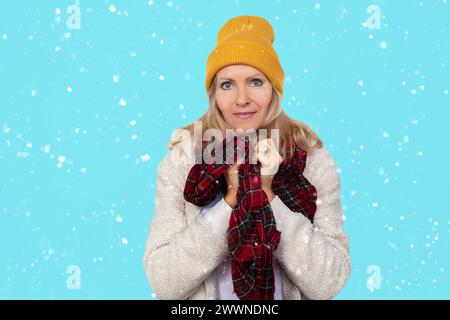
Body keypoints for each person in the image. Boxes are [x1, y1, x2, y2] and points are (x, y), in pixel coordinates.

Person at [143, 15, 351, 300]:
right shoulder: (184, 158)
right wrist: (231, 199)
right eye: (227, 84)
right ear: (214, 93)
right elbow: (165, 283)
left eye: (255, 82)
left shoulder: (310, 158)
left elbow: (329, 281)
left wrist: (266, 194)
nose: (242, 99)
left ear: (274, 89)